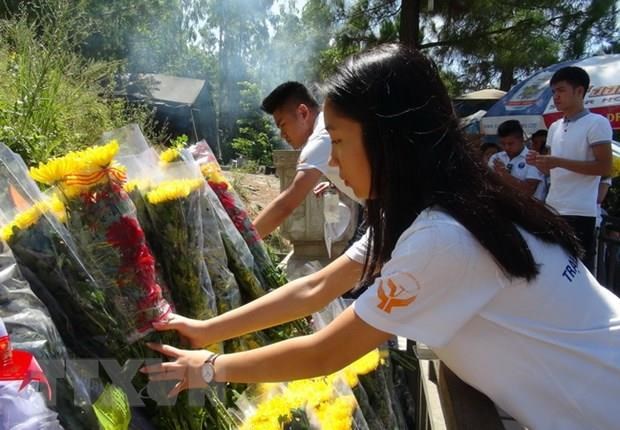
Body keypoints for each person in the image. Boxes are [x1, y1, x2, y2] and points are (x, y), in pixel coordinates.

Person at [142, 44, 620, 430]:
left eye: (341, 141)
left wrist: (207, 369)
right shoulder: (439, 206)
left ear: (392, 139)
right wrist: (207, 329)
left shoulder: (443, 237)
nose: (335, 162)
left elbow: (325, 351)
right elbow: (315, 288)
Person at [527, 66, 613, 271]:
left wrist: (558, 162)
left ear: (579, 91)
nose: (556, 96)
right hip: (552, 208)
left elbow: (605, 166)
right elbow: (552, 171)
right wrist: (540, 163)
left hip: (579, 212)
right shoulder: (555, 126)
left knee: (578, 273)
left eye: (561, 90)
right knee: (553, 270)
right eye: (554, 92)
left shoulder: (596, 123)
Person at [252, 81, 358, 239]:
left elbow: (286, 205)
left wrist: (243, 240)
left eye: (282, 125)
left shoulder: (319, 138)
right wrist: (335, 182)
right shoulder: (328, 125)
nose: (282, 135)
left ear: (303, 113)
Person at [488, 120, 545, 200]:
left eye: (510, 143)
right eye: (502, 143)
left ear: (522, 139)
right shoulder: (496, 158)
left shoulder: (533, 158)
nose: (506, 147)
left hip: (529, 210)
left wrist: (504, 174)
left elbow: (528, 191)